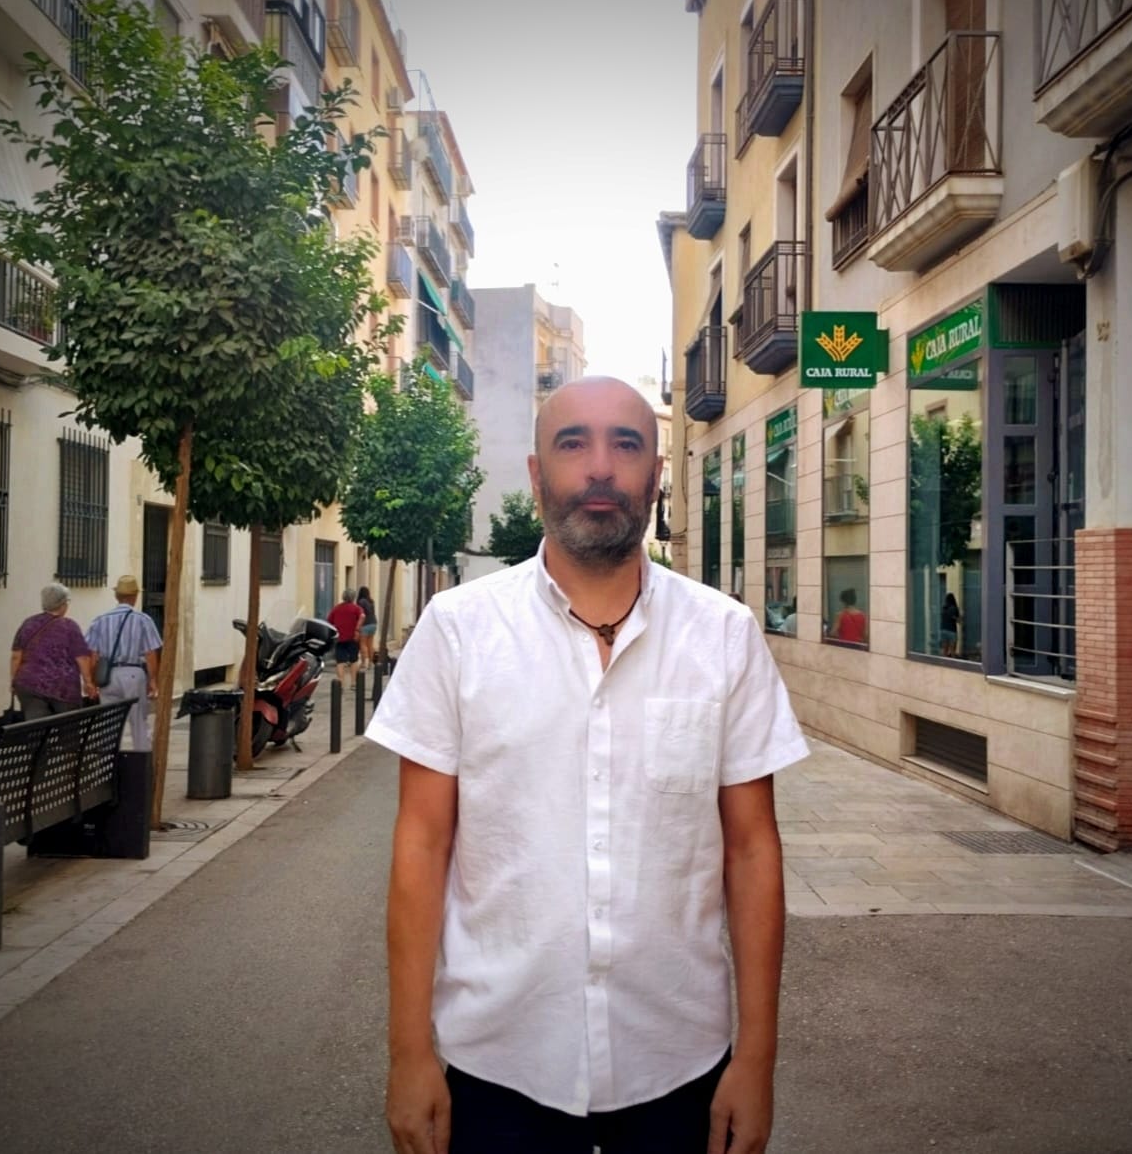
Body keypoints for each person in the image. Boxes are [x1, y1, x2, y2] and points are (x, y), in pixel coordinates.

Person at [372, 376, 808, 1154]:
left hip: (679, 1068)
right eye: (573, 443)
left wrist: (758, 1057)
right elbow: (421, 845)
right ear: (539, 474)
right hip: (498, 1067)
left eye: (626, 444)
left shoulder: (724, 637)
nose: (600, 467)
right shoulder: (459, 630)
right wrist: (409, 1055)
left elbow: (751, 849)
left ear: (655, 476)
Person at [84, 575, 162, 752]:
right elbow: (150, 653)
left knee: (109, 726)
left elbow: (92, 653)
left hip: (108, 676)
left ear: (116, 596)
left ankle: (109, 766)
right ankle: (141, 765)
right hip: (133, 674)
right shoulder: (143, 619)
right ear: (135, 596)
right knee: (138, 724)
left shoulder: (100, 620)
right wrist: (153, 681)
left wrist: (90, 681)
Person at [10, 583, 96, 720]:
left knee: (36, 730)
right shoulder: (69, 626)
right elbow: (82, 658)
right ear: (62, 604)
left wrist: (13, 681)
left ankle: (37, 741)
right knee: (68, 732)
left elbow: (16, 656)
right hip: (63, 688)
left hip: (29, 684)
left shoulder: (28, 623)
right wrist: (88, 682)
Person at [327, 589, 365, 683]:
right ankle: (353, 682)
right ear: (353, 597)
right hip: (353, 637)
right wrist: (357, 629)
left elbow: (329, 620)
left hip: (340, 638)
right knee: (354, 660)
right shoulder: (356, 608)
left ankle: (341, 682)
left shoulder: (336, 608)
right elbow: (363, 616)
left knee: (340, 661)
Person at [356, 586, 378, 666]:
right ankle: (371, 663)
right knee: (370, 644)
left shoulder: (361, 601)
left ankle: (363, 662)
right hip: (373, 624)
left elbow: (361, 614)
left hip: (365, 624)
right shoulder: (371, 601)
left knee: (363, 644)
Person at [940, 591, 961, 657]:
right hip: (952, 631)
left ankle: (943, 664)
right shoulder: (954, 608)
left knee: (944, 650)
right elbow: (958, 620)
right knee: (952, 651)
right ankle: (953, 664)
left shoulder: (944, 608)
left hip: (943, 630)